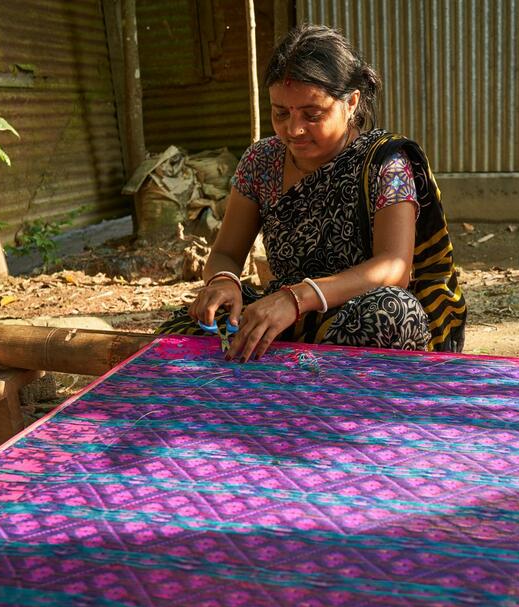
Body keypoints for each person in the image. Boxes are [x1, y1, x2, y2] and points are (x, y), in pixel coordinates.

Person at [158, 24, 466, 360]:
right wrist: (223, 281)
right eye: (281, 113)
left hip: (353, 314)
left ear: (351, 103)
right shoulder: (261, 160)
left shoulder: (384, 164)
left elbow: (393, 267)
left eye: (312, 114)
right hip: (285, 318)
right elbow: (227, 254)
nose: (293, 129)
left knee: (392, 312)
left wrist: (296, 298)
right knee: (183, 333)